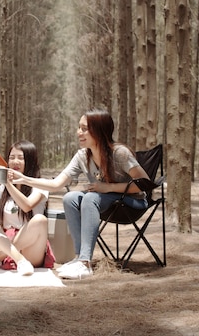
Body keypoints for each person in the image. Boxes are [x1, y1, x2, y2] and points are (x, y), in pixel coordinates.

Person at [12, 109, 149, 279]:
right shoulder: (82, 156)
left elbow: (144, 184)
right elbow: (56, 184)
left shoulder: (119, 153)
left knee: (90, 198)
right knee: (70, 198)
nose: (79, 132)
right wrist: (24, 179)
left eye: (84, 129)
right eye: (79, 128)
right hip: (106, 201)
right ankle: (79, 258)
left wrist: (108, 188)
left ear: (99, 131)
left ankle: (85, 263)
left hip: (132, 204)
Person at [0, 140, 56, 276]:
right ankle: (18, 260)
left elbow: (27, 206)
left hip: (30, 247)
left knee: (40, 220)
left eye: (21, 158)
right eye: (12, 158)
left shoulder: (40, 184)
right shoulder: (1, 187)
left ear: (30, 161)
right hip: (5, 240)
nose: (15, 162)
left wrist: (8, 183)